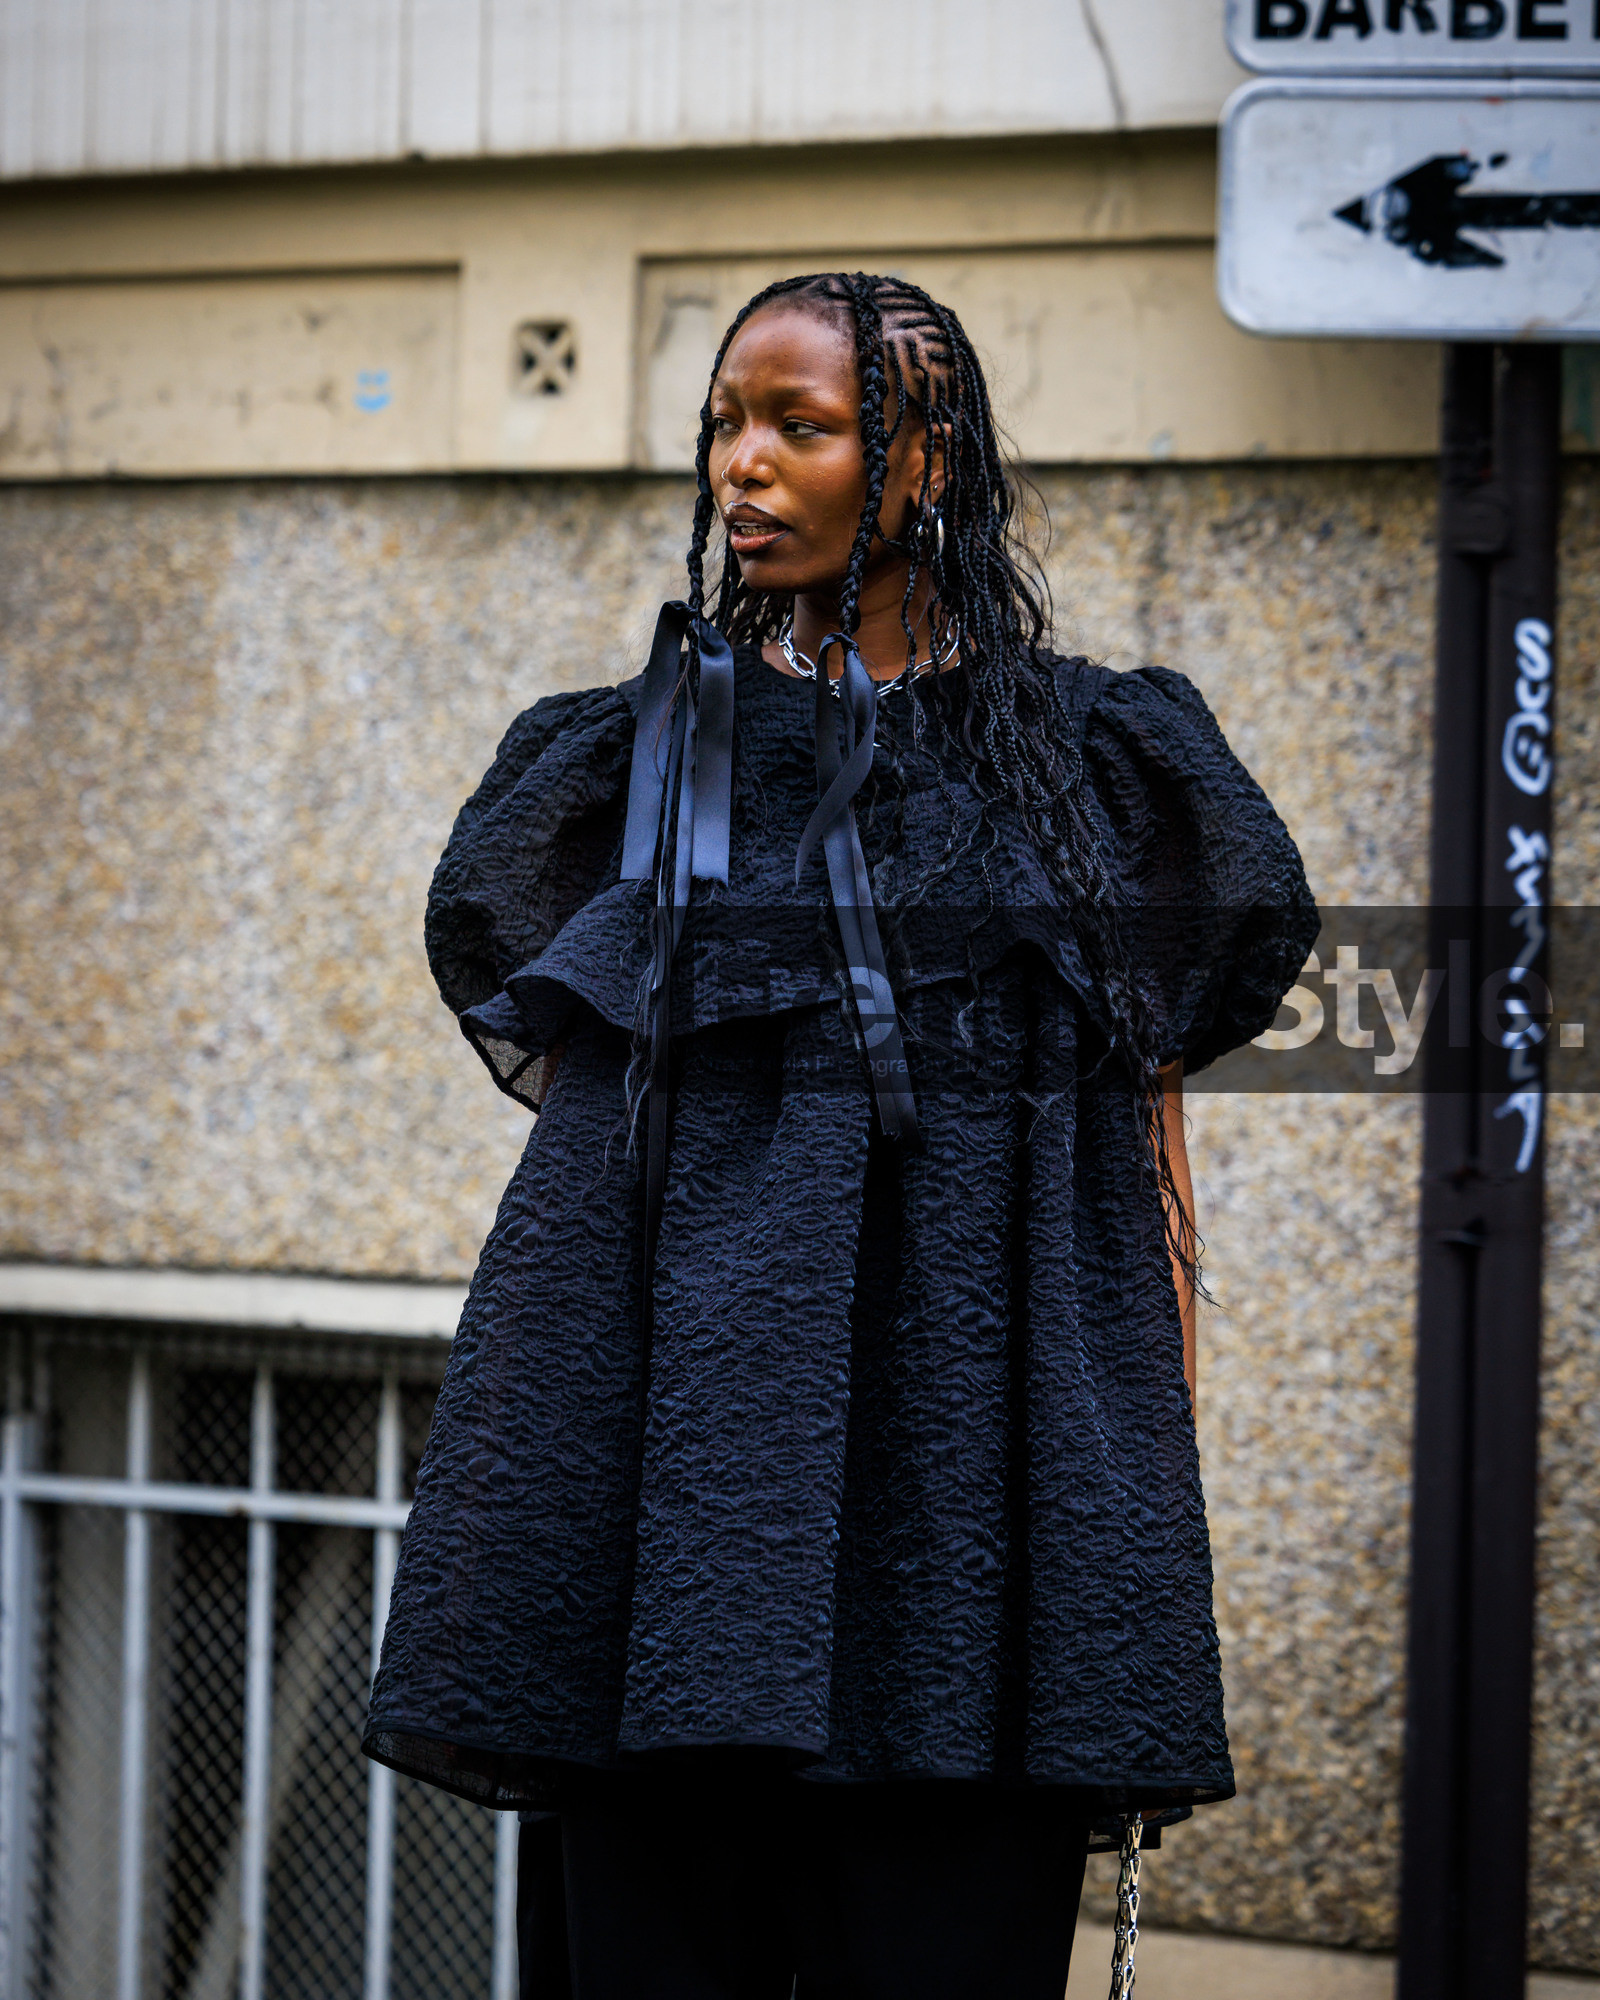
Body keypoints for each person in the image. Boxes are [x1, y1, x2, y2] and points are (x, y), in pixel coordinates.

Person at [363, 272, 1319, 1999]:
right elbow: (580, 1153)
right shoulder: (631, 763)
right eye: (725, 423)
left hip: (969, 1536)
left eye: (797, 426)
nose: (741, 464)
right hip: (667, 1536)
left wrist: (1119, 1517)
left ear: (927, 458)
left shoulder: (1102, 770)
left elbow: (1148, 1155)